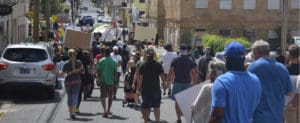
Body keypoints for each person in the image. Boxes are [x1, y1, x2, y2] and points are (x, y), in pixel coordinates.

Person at [209, 42, 262, 123]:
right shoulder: (255, 80)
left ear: (226, 58)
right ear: (243, 59)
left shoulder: (222, 82)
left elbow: (216, 116)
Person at [247, 40, 292, 123]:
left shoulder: (251, 68)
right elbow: (288, 92)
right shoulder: (282, 68)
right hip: (277, 117)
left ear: (256, 52)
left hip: (258, 118)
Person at [167, 43, 198, 123]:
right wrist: (195, 83)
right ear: (187, 51)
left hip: (177, 82)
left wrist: (168, 83)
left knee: (177, 101)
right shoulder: (190, 60)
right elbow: (194, 73)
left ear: (180, 50)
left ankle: (179, 119)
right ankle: (189, 119)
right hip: (187, 83)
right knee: (187, 102)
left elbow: (170, 72)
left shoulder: (175, 60)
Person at [137, 48, 166, 123]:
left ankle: (146, 121)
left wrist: (138, 89)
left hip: (145, 90)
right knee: (156, 107)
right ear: (153, 56)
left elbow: (140, 79)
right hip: (156, 89)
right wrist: (164, 84)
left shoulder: (142, 65)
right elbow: (162, 76)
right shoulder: (158, 65)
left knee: (145, 107)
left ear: (146, 56)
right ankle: (157, 121)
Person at [60, 49, 84, 120]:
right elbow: (83, 71)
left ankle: (71, 113)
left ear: (68, 55)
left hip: (68, 82)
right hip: (77, 82)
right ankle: (73, 113)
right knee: (75, 97)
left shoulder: (66, 63)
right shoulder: (79, 62)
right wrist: (76, 71)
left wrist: (58, 72)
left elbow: (63, 74)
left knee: (69, 97)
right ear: (76, 55)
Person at [96, 47, 118, 118]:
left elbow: (98, 72)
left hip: (103, 81)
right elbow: (115, 73)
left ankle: (104, 110)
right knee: (110, 97)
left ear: (104, 53)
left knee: (103, 96)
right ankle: (108, 110)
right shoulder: (114, 61)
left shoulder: (101, 61)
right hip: (111, 81)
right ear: (110, 53)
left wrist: (97, 80)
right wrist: (116, 82)